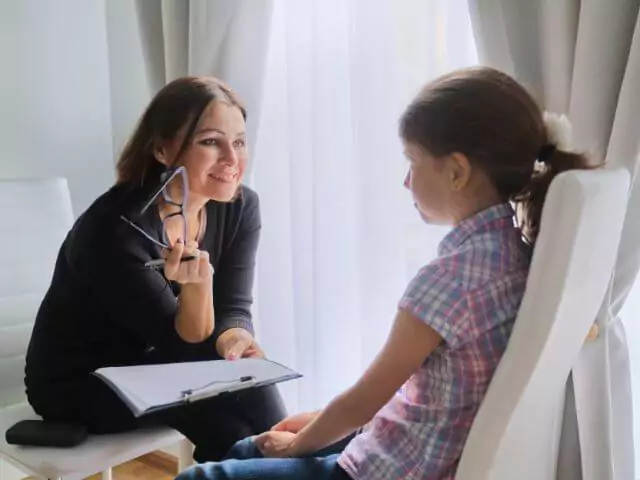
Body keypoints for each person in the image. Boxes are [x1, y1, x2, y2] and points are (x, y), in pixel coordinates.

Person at [175, 67, 592, 479]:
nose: (406, 181)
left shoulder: (449, 280)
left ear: (457, 172)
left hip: (392, 469)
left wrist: (304, 443)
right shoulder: (517, 253)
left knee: (203, 476)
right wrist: (323, 422)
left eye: (413, 162)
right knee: (251, 447)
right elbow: (414, 400)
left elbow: (365, 400)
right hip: (423, 448)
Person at [24, 77, 286, 462]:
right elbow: (182, 347)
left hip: (160, 364)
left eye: (240, 141)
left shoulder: (240, 207)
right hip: (82, 382)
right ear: (163, 150)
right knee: (237, 413)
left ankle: (296, 463)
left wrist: (235, 338)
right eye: (211, 141)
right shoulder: (114, 232)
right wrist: (199, 290)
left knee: (242, 402)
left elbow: (234, 305)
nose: (232, 159)